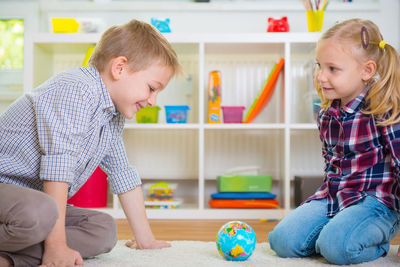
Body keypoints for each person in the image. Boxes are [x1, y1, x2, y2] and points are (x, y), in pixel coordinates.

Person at [0, 19, 181, 267]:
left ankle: (10, 258)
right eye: (151, 88)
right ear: (120, 68)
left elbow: (122, 173)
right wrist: (56, 246)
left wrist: (145, 240)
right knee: (41, 213)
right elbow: (58, 166)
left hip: (32, 204)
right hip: (9, 190)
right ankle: (46, 247)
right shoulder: (78, 89)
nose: (153, 101)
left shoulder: (111, 116)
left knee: (103, 229)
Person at [269, 18, 400, 265]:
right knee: (282, 241)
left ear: (367, 71)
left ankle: (370, 242)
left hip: (376, 203)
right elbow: (332, 166)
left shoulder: (386, 110)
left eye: (332, 69)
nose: (320, 76)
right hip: (335, 197)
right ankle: (335, 234)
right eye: (319, 66)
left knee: (337, 248)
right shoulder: (326, 113)